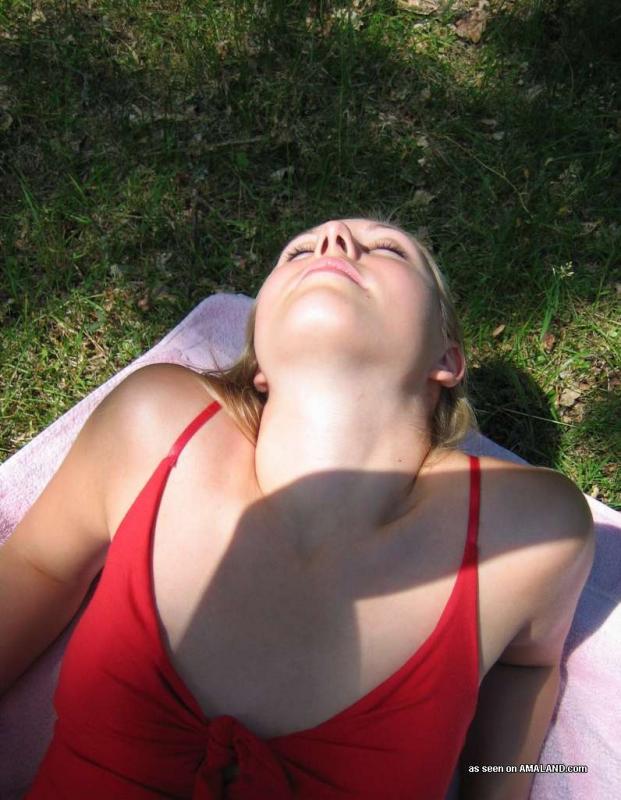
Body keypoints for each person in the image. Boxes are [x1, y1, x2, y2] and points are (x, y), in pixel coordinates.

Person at [0, 218, 594, 799]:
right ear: (258, 363)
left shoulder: (529, 531)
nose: (333, 240)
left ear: (448, 359)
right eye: (298, 252)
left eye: (388, 249)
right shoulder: (154, 425)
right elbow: (38, 566)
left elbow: (526, 667)